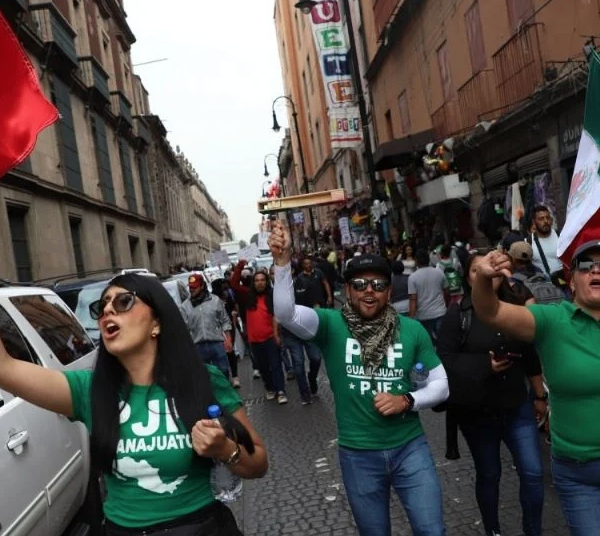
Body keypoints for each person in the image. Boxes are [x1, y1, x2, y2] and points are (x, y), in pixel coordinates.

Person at [0, 273, 268, 534]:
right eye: (101, 306)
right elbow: (5, 369)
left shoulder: (204, 381)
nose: (107, 310)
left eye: (123, 302)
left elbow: (258, 464)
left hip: (199, 527)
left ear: (156, 323)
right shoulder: (89, 390)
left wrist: (225, 448)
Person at [269, 220, 449, 536]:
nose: (369, 291)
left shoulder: (412, 330)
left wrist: (407, 400)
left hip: (410, 448)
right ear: (348, 290)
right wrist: (282, 264)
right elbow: (285, 314)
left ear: (389, 291)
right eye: (360, 284)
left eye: (378, 285)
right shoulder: (331, 325)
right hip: (358, 455)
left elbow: (441, 385)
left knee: (432, 531)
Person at [471, 241, 600, 535]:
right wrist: (482, 278)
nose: (595, 270)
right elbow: (490, 312)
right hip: (579, 475)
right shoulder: (553, 320)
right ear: (571, 281)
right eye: (585, 265)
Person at [438, 250, 546, 536]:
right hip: (477, 414)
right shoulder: (455, 316)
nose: (485, 275)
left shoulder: (514, 312)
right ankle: (492, 530)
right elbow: (445, 361)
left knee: (533, 474)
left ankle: (532, 530)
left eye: (490, 270)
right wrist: (485, 365)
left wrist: (539, 396)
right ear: (468, 278)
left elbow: (530, 354)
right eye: (476, 271)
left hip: (517, 409)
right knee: (489, 475)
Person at [231, 261, 288, 404]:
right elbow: (234, 284)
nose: (260, 283)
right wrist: (240, 266)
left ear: (266, 282)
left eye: (262, 280)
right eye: (256, 280)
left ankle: (281, 390)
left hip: (270, 338)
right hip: (255, 341)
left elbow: (277, 316)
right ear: (253, 283)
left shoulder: (273, 295)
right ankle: (270, 388)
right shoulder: (247, 295)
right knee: (263, 368)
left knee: (275, 365)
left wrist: (277, 335)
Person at [181, 273, 232, 379]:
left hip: (217, 344)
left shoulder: (215, 301)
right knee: (203, 377)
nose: (192, 290)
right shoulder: (185, 306)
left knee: (223, 373)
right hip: (198, 347)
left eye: (194, 287)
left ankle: (224, 395)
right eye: (190, 287)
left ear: (202, 286)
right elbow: (183, 329)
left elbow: (225, 321)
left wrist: (228, 340)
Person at [409, 249, 448, 342]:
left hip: (423, 316)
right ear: (429, 259)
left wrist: (411, 319)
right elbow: (447, 291)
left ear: (416, 261)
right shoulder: (439, 272)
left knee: (427, 344)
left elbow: (413, 300)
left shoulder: (413, 277)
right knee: (442, 341)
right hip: (441, 312)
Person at [211, 278, 241, 389]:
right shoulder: (213, 300)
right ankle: (224, 378)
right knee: (220, 354)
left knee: (230, 351)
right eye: (223, 288)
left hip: (229, 328)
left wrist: (234, 314)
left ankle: (235, 376)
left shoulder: (228, 298)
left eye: (226, 288)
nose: (225, 291)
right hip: (217, 330)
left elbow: (233, 309)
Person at [529, 205, 562, 278]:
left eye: (547, 218)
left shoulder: (561, 236)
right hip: (543, 286)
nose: (545, 221)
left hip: (564, 283)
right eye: (541, 219)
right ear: (534, 222)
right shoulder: (528, 242)